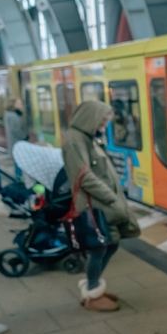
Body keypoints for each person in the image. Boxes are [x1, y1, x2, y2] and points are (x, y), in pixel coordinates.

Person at [62, 101, 140, 311]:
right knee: (100, 247)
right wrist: (112, 197)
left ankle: (92, 287)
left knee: (109, 244)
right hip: (96, 205)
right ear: (91, 118)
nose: (105, 125)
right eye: (103, 121)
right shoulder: (75, 140)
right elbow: (83, 175)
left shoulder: (87, 137)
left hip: (103, 204)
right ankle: (92, 293)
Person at [5, 98, 28, 178]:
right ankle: (19, 179)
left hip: (16, 143)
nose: (21, 105)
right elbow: (16, 130)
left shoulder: (10, 114)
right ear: (14, 105)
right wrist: (25, 136)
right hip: (17, 143)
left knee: (18, 162)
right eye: (19, 103)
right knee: (19, 162)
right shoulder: (13, 115)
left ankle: (19, 178)